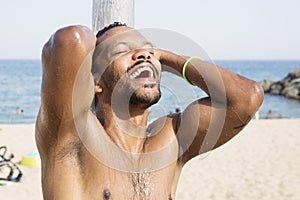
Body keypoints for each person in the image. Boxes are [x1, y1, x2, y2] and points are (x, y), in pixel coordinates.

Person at [35, 22, 264, 199]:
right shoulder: (74, 137)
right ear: (96, 82)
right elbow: (69, 41)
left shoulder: (172, 141)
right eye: (120, 51)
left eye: (149, 51)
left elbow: (247, 96)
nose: (144, 55)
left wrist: (164, 56)